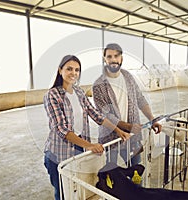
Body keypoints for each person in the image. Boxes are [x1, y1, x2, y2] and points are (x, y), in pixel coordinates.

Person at [43, 55, 130, 200]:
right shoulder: (52, 95)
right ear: (60, 70)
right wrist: (90, 146)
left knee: (77, 191)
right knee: (63, 193)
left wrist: (118, 130)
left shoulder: (79, 92)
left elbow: (96, 115)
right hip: (57, 154)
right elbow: (61, 129)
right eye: (69, 69)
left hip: (78, 151)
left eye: (77, 70)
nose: (74, 73)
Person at [92, 43, 162, 166]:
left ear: (121, 58)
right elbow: (105, 116)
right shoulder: (98, 85)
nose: (113, 59)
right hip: (110, 138)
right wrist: (129, 126)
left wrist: (152, 119)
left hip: (131, 138)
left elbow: (140, 99)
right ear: (104, 59)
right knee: (112, 175)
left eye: (116, 56)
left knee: (136, 173)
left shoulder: (128, 77)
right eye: (109, 57)